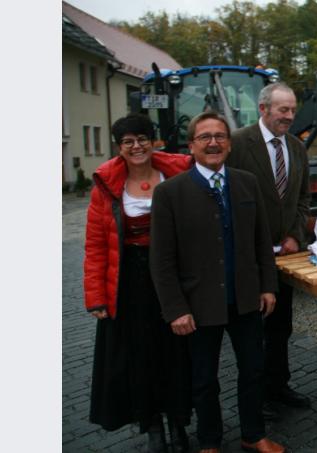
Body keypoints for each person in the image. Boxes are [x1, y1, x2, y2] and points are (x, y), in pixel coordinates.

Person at [150, 112, 285, 453]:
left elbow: (261, 241)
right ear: (192, 145)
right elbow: (162, 260)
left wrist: (268, 286)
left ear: (229, 142)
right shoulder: (169, 193)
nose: (213, 142)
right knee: (204, 379)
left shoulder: (246, 182)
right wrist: (175, 309)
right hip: (198, 305)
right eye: (205, 137)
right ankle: (209, 441)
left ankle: (253, 435)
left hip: (245, 299)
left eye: (220, 136)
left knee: (253, 371)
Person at [83, 114, 192, 453]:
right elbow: (96, 244)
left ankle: (179, 422)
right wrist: (97, 297)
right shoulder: (106, 184)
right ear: (119, 148)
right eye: (128, 141)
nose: (137, 146)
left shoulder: (177, 173)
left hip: (172, 276)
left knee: (176, 353)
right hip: (128, 282)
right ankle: (152, 426)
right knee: (140, 358)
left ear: (153, 141)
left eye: (142, 138)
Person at [228, 82, 312, 418]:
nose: (290, 116)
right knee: (253, 331)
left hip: (285, 255)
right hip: (249, 255)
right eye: (283, 110)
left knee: (281, 327)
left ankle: (279, 385)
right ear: (263, 109)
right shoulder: (236, 144)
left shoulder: (297, 147)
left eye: (293, 110)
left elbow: (303, 198)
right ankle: (256, 397)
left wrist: (294, 235)